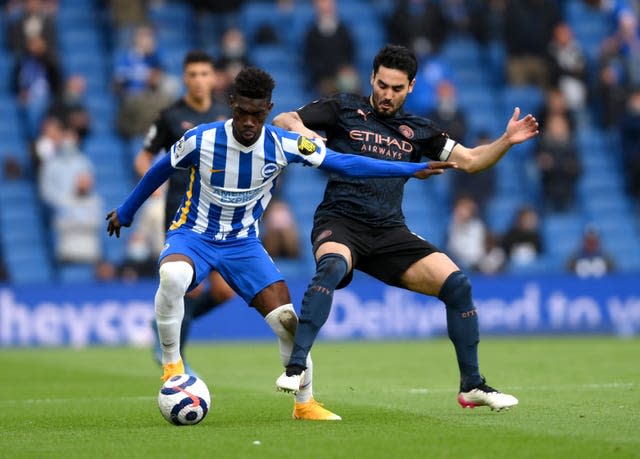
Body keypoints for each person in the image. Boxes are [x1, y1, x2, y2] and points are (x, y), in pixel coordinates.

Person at [106, 66, 454, 421]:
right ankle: (171, 364)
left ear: (269, 110)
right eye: (242, 113)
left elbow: (344, 163)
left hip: (243, 245)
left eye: (257, 115)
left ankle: (304, 404)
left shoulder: (284, 144)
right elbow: (159, 168)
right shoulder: (201, 138)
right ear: (231, 105)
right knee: (174, 276)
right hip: (193, 235)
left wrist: (409, 169)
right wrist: (126, 211)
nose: (249, 122)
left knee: (286, 320)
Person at [272, 44, 539, 412]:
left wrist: (506, 140)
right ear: (372, 78)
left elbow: (473, 161)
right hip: (340, 221)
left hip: (388, 232)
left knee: (457, 284)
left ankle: (472, 385)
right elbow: (283, 119)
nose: (387, 94)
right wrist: (306, 132)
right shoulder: (343, 108)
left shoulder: (419, 131)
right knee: (332, 266)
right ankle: (296, 366)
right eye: (382, 85)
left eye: (397, 88)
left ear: (411, 87)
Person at [134, 50, 234, 372]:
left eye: (205, 74)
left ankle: (164, 323)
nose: (200, 80)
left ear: (213, 78)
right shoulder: (171, 116)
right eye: (193, 75)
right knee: (192, 288)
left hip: (220, 211)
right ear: (185, 78)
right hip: (183, 211)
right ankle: (176, 359)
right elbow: (144, 156)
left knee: (223, 291)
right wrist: (153, 183)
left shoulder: (226, 113)